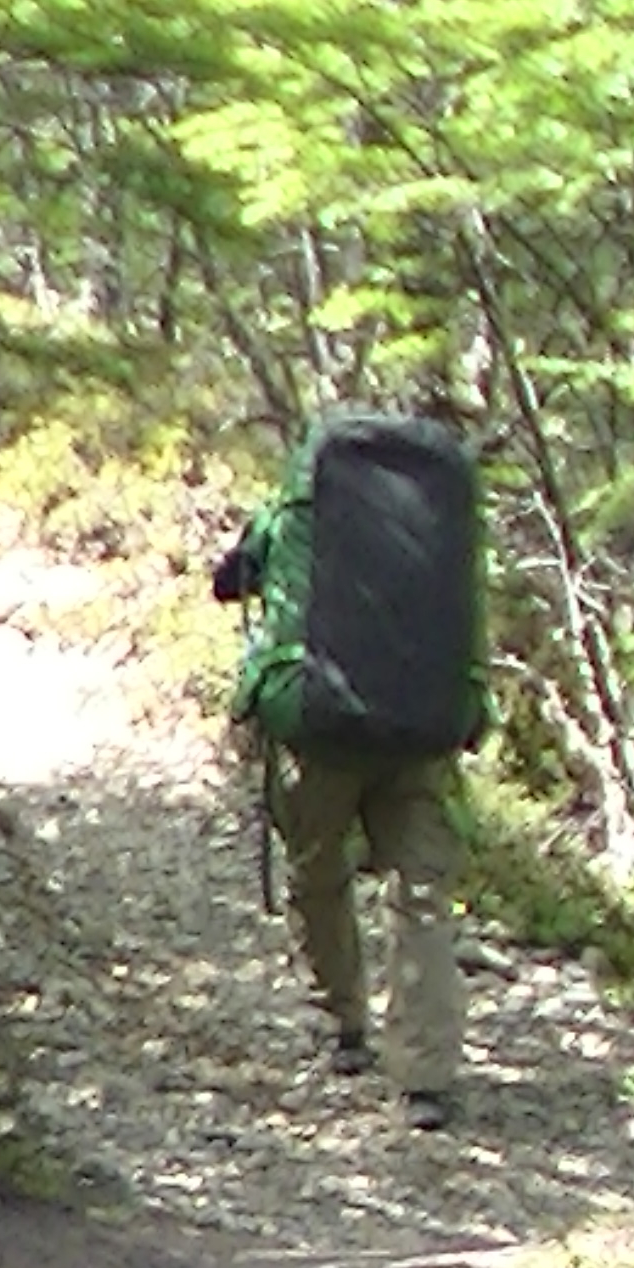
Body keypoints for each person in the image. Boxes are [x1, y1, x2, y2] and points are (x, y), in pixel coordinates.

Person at [212, 412, 483, 1134]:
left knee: (317, 870)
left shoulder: (298, 507)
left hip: (323, 728)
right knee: (421, 897)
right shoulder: (443, 512)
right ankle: (425, 1078)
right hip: (421, 732)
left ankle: (343, 1022)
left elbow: (239, 574)